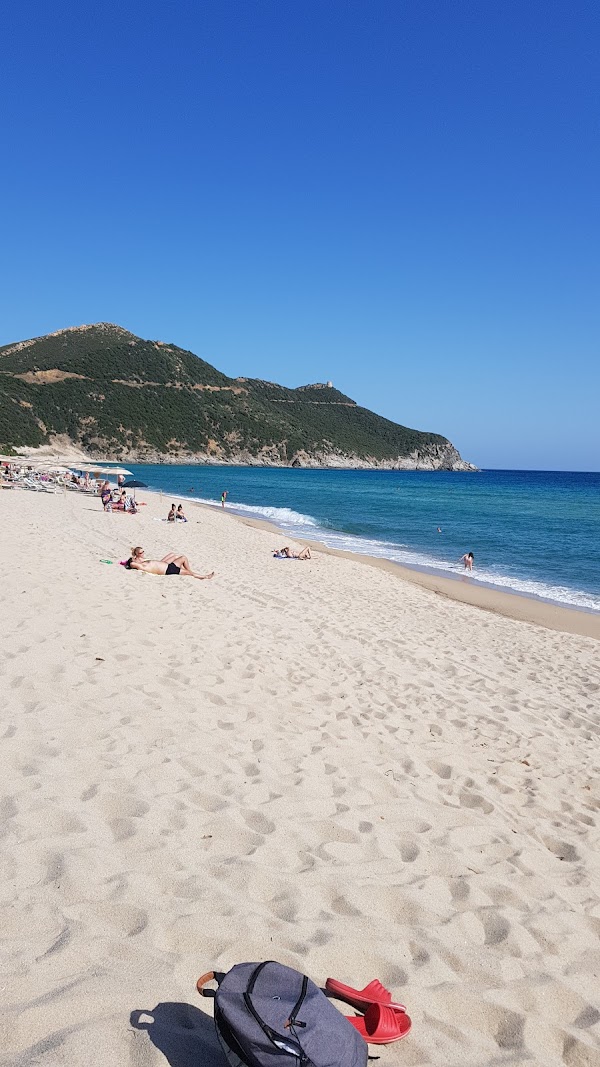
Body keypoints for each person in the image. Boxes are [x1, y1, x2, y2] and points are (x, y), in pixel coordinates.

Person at [124, 547, 214, 579]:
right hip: (168, 569)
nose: (143, 554)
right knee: (187, 569)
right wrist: (131, 560)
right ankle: (204, 577)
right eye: (141, 553)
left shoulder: (142, 562)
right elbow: (132, 564)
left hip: (168, 566)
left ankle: (190, 572)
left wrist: (134, 558)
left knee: (183, 558)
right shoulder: (140, 566)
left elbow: (135, 561)